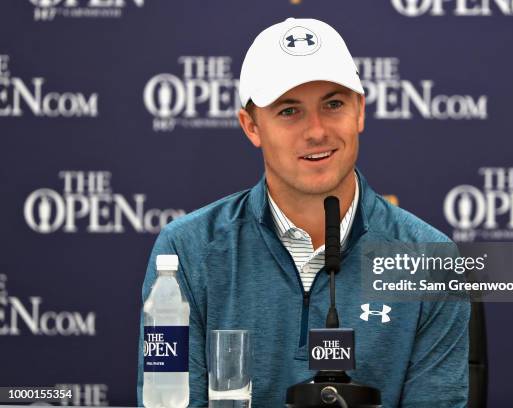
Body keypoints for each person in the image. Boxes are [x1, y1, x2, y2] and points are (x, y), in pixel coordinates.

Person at [138, 17, 470, 407]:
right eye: (289, 111)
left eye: (333, 104)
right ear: (251, 126)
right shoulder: (185, 253)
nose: (316, 131)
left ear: (359, 111)